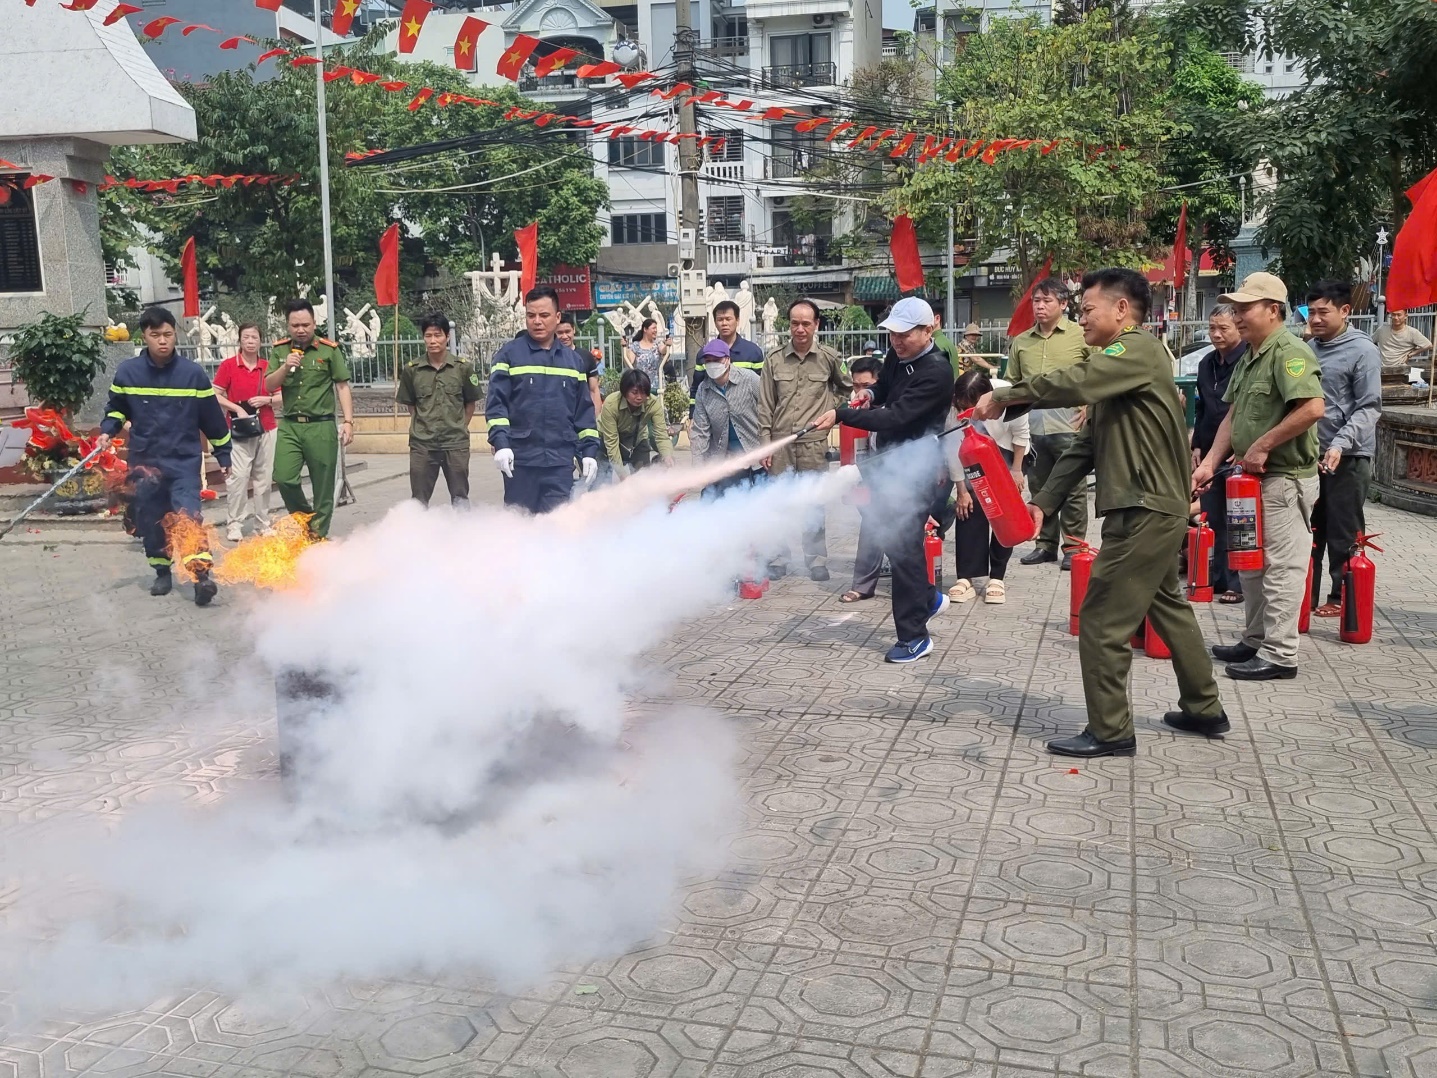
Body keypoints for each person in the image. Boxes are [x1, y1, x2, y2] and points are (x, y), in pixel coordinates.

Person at [974, 268, 1226, 757]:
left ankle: (1111, 730)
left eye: (1087, 310)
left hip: (1145, 508)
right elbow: (1084, 447)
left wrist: (1005, 394)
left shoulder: (1134, 350)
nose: (1080, 318)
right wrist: (1043, 503)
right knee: (1168, 608)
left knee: (1101, 618)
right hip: (1145, 507)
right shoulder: (1118, 374)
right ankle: (1204, 708)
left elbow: (1077, 380)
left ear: (1122, 310)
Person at [1193, 271, 1326, 681]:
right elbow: (1232, 415)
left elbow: (1312, 408)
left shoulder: (1290, 351)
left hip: (1283, 479)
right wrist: (1210, 462)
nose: (1237, 314)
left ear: (1273, 310)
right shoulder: (1252, 355)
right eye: (1235, 307)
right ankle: (1254, 638)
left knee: (1282, 568)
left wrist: (1264, 444)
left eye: (1245, 307)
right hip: (1248, 481)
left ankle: (1280, 654)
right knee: (1250, 562)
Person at [811, 297, 955, 662]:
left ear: (928, 330)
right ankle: (927, 598)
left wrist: (843, 414)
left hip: (916, 469)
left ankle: (914, 636)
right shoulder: (898, 356)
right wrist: (869, 393)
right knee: (885, 534)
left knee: (904, 549)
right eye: (893, 335)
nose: (897, 341)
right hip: (888, 464)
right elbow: (886, 391)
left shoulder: (936, 371)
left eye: (905, 335)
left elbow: (896, 416)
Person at [98, 306, 232, 604]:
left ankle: (201, 577)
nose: (162, 341)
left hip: (183, 463)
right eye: (155, 335)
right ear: (144, 336)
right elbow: (117, 408)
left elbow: (211, 417)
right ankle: (161, 572)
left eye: (168, 334)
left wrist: (224, 453)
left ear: (175, 335)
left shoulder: (192, 374)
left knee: (189, 517)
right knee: (152, 520)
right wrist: (108, 429)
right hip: (145, 465)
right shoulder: (128, 372)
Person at [759, 298, 851, 580]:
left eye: (806, 324)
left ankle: (816, 560)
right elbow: (765, 404)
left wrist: (830, 410)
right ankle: (778, 557)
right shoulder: (773, 359)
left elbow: (847, 389)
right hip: (781, 444)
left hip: (813, 444)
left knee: (813, 503)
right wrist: (765, 443)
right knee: (779, 503)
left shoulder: (830, 358)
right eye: (795, 323)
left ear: (816, 325)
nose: (800, 329)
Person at [1305, 279, 1382, 617]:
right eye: (1312, 313)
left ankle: (1342, 595)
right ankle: (1305, 593)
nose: (1316, 319)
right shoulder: (1308, 349)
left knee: (1343, 529)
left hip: (1348, 456)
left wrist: (1340, 443)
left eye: (1324, 312)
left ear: (1345, 311)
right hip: (1311, 456)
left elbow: (1369, 407)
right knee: (1311, 530)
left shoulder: (1362, 350)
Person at [485, 285, 599, 513]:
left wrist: (589, 453)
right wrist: (501, 445)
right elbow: (497, 406)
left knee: (557, 526)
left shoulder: (573, 362)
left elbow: (583, 413)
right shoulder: (509, 356)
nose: (537, 321)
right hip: (521, 462)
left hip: (559, 463)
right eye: (531, 315)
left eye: (544, 315)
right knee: (520, 527)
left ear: (557, 318)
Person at [1007, 278, 1091, 570]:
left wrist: (1090, 409)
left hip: (1069, 425)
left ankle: (1074, 546)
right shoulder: (1022, 341)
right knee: (1039, 486)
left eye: (1047, 301)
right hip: (1033, 428)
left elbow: (1100, 375)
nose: (1040, 307)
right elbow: (1013, 385)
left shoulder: (1080, 336)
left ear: (1064, 304)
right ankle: (1045, 544)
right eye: (1036, 301)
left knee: (1073, 489)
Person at [265, 299, 353, 540]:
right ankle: (306, 519)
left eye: (305, 324)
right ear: (288, 326)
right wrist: (285, 367)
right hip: (291, 425)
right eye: (295, 325)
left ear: (314, 323)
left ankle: (317, 536)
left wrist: (348, 422)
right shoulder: (280, 350)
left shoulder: (329, 350)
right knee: (284, 477)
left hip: (321, 425)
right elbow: (269, 384)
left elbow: (342, 386)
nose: (300, 329)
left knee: (323, 485)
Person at [947, 370, 1028, 605]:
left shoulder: (1010, 394)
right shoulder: (954, 406)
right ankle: (966, 577)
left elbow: (1021, 434)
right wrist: (961, 491)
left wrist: (1016, 470)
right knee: (968, 508)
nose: (972, 412)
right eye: (965, 406)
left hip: (1006, 452)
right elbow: (952, 448)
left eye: (974, 406)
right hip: (971, 455)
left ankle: (997, 577)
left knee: (1004, 513)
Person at [395, 312, 480, 508]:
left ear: (447, 337)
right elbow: (411, 404)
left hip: (455, 442)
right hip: (423, 444)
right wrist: (424, 425)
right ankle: (418, 535)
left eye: (438, 335)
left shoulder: (462, 368)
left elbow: (470, 404)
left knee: (460, 496)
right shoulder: (412, 369)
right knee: (419, 499)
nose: (433, 340)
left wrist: (458, 426)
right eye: (428, 335)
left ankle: (463, 532)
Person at [1191, 305, 1247, 603]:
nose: (1216, 334)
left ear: (1239, 326)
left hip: (1238, 452)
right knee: (1211, 516)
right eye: (1212, 328)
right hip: (1210, 452)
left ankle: (1237, 583)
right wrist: (1198, 446)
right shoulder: (1206, 363)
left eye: (1223, 328)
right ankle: (1214, 577)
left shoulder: (1249, 360)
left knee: (1239, 519)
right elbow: (1201, 408)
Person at [212, 322, 280, 542]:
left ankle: (262, 522)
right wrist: (237, 408)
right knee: (238, 477)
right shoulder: (229, 366)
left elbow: (282, 396)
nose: (250, 342)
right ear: (239, 340)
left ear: (261, 341)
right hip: (238, 429)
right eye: (246, 337)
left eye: (254, 337)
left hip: (266, 427)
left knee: (264, 478)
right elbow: (215, 394)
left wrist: (267, 399)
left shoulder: (268, 366)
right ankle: (234, 523)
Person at [839, 354, 887, 603]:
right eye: (855, 386)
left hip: (897, 477)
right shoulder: (855, 411)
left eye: (865, 387)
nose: (859, 392)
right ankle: (864, 584)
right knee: (872, 523)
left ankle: (916, 585)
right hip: (867, 475)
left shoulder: (892, 409)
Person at [598, 368, 674, 477]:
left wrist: (667, 456)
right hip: (606, 439)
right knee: (601, 479)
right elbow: (612, 443)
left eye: (644, 393)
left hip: (637, 440)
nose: (639, 397)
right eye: (634, 392)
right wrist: (622, 476)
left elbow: (661, 435)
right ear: (624, 391)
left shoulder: (653, 404)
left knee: (643, 478)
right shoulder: (611, 404)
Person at [689, 299, 765, 406]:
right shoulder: (705, 354)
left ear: (737, 320)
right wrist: (693, 413)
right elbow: (696, 388)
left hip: (745, 415)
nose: (724, 323)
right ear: (715, 322)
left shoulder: (753, 352)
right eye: (720, 319)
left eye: (728, 319)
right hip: (714, 413)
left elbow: (762, 388)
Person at [558, 312, 604, 418]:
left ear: (574, 330)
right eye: (560, 332)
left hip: (582, 414)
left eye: (567, 331)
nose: (564, 336)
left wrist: (596, 418)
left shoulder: (586, 356)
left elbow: (594, 390)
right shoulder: (550, 357)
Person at [623, 318, 668, 387]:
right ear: (645, 329)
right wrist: (624, 347)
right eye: (653, 328)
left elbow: (663, 350)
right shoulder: (635, 346)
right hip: (641, 384)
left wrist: (667, 345)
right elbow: (629, 361)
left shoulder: (658, 343)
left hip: (657, 384)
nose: (655, 330)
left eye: (656, 328)